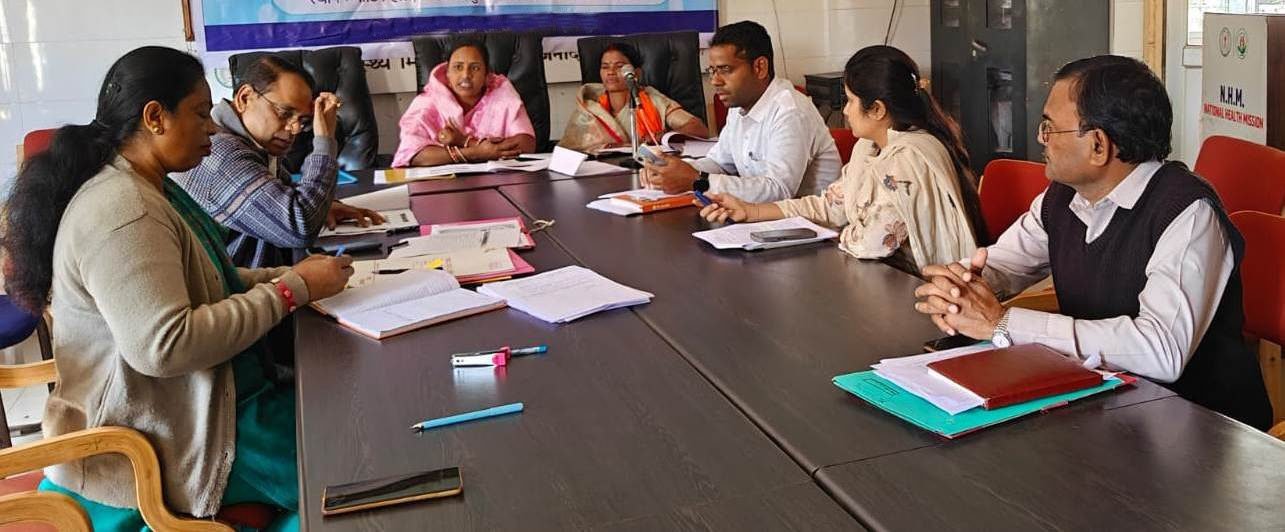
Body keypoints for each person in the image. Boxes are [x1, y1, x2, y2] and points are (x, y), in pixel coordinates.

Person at [0, 46, 354, 530]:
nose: (212, 128)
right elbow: (165, 347)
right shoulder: (124, 209)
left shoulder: (149, 186)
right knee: (354, 462)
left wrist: (291, 279)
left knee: (345, 419)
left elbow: (207, 281)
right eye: (200, 114)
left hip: (208, 400)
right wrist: (290, 291)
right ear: (155, 118)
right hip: (174, 432)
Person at [911, 55, 1272, 430]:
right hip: (1104, 406)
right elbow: (1004, 264)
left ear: (1098, 144)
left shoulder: (1187, 212)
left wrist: (1003, 324)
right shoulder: (1064, 196)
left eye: (1050, 128)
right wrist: (962, 287)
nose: (1041, 139)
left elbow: (1161, 349)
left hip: (1200, 426)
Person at [698, 45, 985, 272]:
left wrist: (841, 230)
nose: (845, 111)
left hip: (922, 288)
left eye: (850, 100)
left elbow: (872, 243)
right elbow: (831, 206)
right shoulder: (868, 146)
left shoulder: (908, 158)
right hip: (879, 278)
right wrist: (751, 211)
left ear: (877, 110)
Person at [172, 55, 382, 268]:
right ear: (245, 98)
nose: (295, 129)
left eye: (302, 120)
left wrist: (326, 208)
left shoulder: (253, 144)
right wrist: (325, 140)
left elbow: (287, 197)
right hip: (242, 286)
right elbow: (300, 228)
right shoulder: (222, 155)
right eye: (284, 113)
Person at [642, 21, 841, 203]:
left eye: (725, 70)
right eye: (712, 71)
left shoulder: (790, 112)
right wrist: (673, 170)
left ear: (760, 67)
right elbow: (719, 163)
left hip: (809, 223)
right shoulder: (739, 106)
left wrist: (697, 180)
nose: (715, 81)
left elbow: (779, 190)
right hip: (762, 217)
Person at [393, 39, 537, 167]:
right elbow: (413, 154)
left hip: (498, 180)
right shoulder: (428, 103)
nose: (466, 75)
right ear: (447, 75)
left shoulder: (501, 93)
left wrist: (464, 141)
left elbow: (526, 143)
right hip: (443, 185)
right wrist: (476, 153)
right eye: (458, 67)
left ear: (487, 76)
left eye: (475, 68)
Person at [558, 41, 709, 153]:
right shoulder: (590, 106)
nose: (610, 72)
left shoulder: (653, 100)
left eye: (619, 66)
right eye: (605, 67)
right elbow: (569, 150)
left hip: (647, 169)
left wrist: (663, 136)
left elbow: (698, 128)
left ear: (636, 73)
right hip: (598, 174)